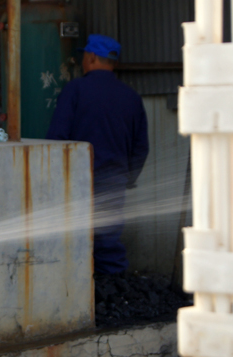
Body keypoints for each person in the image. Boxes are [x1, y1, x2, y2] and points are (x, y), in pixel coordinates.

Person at [47, 34, 149, 275]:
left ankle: (77, 291)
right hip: (114, 181)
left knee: (72, 239)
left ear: (92, 57)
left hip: (76, 180)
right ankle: (114, 290)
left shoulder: (75, 90)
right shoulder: (131, 97)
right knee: (107, 241)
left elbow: (56, 138)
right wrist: (127, 178)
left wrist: (54, 179)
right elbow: (140, 148)